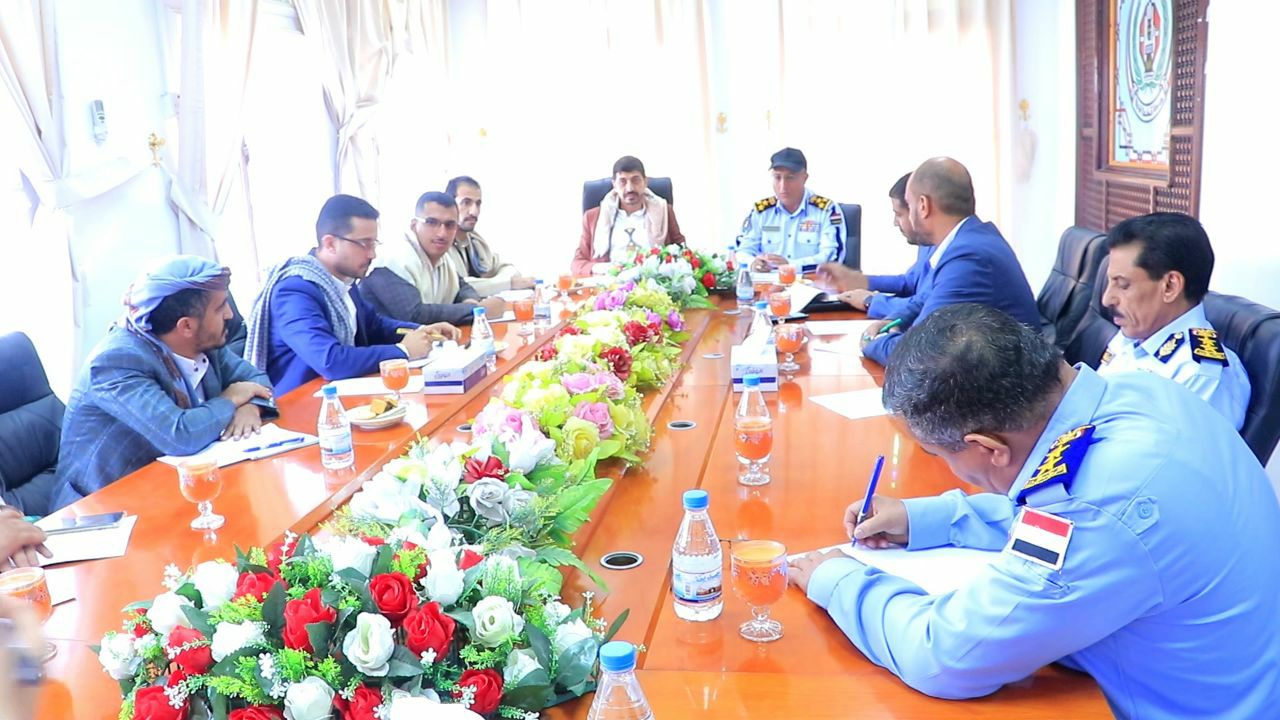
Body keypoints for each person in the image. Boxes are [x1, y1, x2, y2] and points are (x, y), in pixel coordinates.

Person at [787, 304, 1280, 717]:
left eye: (938, 455)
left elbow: (945, 656)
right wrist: (930, 519)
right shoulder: (1142, 391)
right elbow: (1061, 509)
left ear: (988, 447)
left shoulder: (1098, 507)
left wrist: (839, 579)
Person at [54, 257, 274, 507]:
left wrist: (250, 407)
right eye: (220, 307)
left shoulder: (205, 342)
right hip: (104, 509)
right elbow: (180, 436)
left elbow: (256, 380)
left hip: (178, 489)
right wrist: (231, 400)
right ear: (186, 326)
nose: (230, 314)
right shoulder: (116, 362)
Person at [820, 157, 1038, 366]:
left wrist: (871, 342)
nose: (902, 219)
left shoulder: (969, 258)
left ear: (923, 205)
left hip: (1009, 384)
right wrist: (892, 321)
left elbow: (918, 356)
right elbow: (926, 298)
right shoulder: (968, 239)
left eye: (909, 204)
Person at [245, 194, 459, 396]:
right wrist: (403, 350)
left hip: (341, 392)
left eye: (374, 243)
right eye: (364, 244)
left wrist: (422, 331)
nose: (372, 254)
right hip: (302, 403)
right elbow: (330, 360)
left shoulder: (343, 279)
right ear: (330, 243)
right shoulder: (295, 291)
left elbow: (376, 326)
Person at [1096, 212, 1249, 430]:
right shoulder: (1134, 333)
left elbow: (1179, 453)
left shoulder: (1199, 374)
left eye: (1123, 285)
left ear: (1170, 286)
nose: (1107, 299)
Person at [362, 191, 506, 326]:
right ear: (414, 225)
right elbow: (415, 315)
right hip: (387, 343)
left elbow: (462, 286)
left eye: (450, 225)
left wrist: (470, 301)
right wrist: (476, 311)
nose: (442, 233)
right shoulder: (392, 258)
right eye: (431, 222)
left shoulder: (442, 258)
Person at [834, 173, 933, 318]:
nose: (895, 223)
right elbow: (909, 282)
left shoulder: (953, 251)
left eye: (899, 214)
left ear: (921, 208)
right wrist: (859, 280)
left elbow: (925, 307)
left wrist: (869, 301)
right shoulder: (929, 242)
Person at [572, 155, 686, 277]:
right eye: (622, 181)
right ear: (614, 185)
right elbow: (578, 262)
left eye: (635, 180)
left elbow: (682, 252)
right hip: (609, 283)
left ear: (645, 182)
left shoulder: (664, 211)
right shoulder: (593, 218)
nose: (629, 188)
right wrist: (602, 268)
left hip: (653, 282)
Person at [734, 147, 843, 272]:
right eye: (777, 178)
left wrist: (791, 266)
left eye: (790, 178)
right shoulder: (761, 211)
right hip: (767, 281)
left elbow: (832, 257)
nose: (783, 186)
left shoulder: (827, 210)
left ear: (805, 178)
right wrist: (752, 262)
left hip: (810, 281)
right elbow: (741, 250)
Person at [444, 176, 535, 295]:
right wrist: (508, 284)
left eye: (478, 204)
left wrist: (495, 283)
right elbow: (458, 286)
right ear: (449, 205)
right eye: (466, 203)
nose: (474, 212)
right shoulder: (439, 244)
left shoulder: (475, 240)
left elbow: (508, 269)